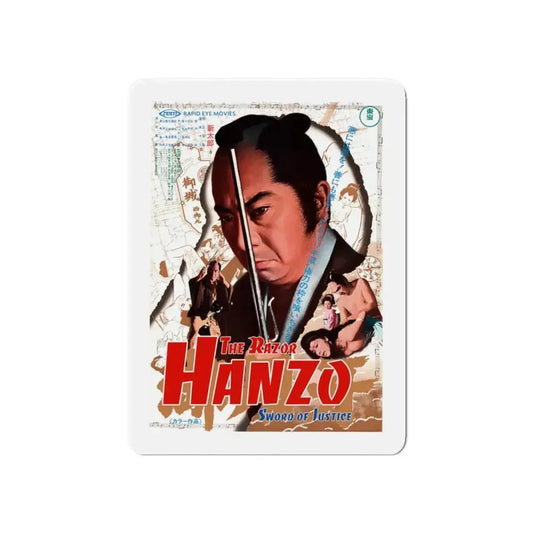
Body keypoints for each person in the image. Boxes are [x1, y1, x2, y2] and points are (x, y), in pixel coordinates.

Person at [210, 113, 367, 351]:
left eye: (260, 210)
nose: (242, 242)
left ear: (318, 202)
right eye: (227, 218)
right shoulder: (237, 299)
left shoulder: (361, 282)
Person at [301, 310, 383, 359]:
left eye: (316, 346)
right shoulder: (334, 354)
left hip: (374, 326)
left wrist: (357, 321)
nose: (318, 352)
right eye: (314, 352)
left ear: (325, 338)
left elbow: (362, 313)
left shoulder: (344, 335)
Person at [188, 260, 230, 347]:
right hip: (201, 314)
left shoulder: (220, 284)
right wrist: (199, 277)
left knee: (220, 336)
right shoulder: (202, 281)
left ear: (219, 272)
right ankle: (188, 348)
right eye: (211, 270)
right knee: (194, 325)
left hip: (214, 317)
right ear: (208, 270)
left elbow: (231, 292)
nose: (213, 273)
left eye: (216, 271)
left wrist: (224, 281)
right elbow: (192, 283)